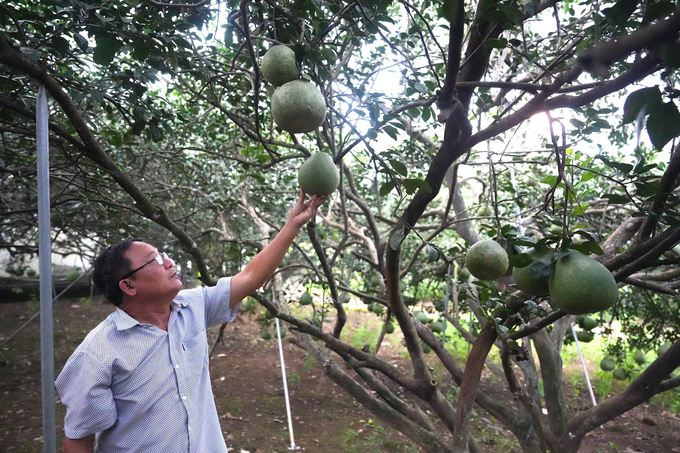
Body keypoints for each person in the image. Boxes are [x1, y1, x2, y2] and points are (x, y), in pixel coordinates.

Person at [55, 191, 328, 453]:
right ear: (128, 286)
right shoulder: (98, 353)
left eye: (163, 254)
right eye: (155, 260)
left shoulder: (192, 306)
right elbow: (78, 442)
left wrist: (292, 225)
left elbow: (250, 276)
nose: (169, 262)